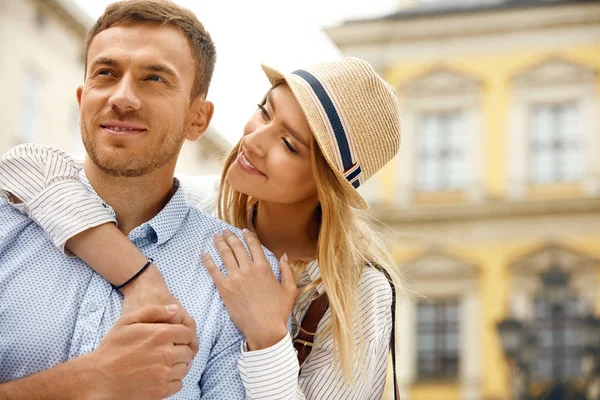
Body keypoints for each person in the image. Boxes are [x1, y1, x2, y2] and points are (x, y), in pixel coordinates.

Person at [1, 53, 403, 400]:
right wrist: (138, 276)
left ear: (326, 185)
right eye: (265, 111)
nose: (254, 141)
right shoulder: (195, 202)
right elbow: (27, 167)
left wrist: (267, 336)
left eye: (289, 144)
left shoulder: (357, 294)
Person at [0, 1, 281, 399]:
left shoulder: (239, 274)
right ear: (82, 99)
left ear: (197, 119)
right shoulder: (6, 219)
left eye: (154, 78)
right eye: (106, 73)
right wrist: (90, 379)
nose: (123, 97)